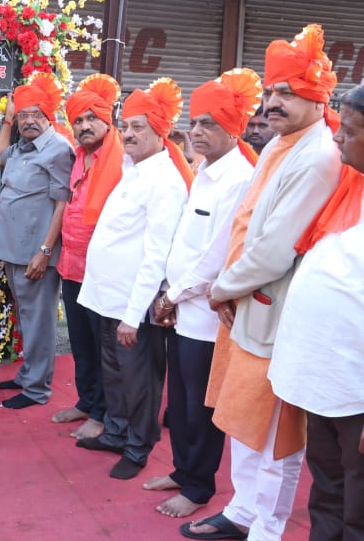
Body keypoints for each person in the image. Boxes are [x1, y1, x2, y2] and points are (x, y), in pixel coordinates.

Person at [183, 24, 343, 541]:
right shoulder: (282, 143)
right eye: (271, 92)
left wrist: (220, 288)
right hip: (248, 303)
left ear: (318, 98)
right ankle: (242, 513)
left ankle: (265, 529)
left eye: (286, 92)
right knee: (243, 422)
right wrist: (229, 289)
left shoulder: (319, 156)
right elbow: (245, 228)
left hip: (274, 311)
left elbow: (275, 247)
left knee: (273, 432)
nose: (272, 102)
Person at [147, 68, 260, 519]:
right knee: (179, 403)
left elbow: (216, 256)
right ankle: (181, 470)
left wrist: (171, 295)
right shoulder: (205, 169)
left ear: (233, 128)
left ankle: (198, 487)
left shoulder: (238, 179)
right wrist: (169, 293)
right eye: (194, 122)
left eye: (208, 123)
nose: (196, 131)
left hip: (207, 315)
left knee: (201, 407)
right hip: (182, 308)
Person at [76, 77, 192, 480]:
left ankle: (138, 446)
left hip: (132, 304)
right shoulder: (133, 170)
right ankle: (117, 431)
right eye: (125, 126)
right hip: (106, 296)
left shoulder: (165, 182)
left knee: (139, 378)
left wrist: (132, 313)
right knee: (114, 373)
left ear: (161, 132)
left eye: (138, 127)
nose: (127, 134)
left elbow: (156, 256)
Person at [267, 84, 364, 541]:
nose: (337, 138)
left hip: (357, 395)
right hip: (327, 381)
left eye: (349, 130)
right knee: (326, 491)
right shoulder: (349, 188)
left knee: (357, 507)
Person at [0, 75, 74, 410]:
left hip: (37, 253)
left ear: (49, 116)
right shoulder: (22, 147)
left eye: (36, 114)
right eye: (24, 115)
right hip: (13, 249)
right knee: (26, 316)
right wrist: (8, 118)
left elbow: (62, 205)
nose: (29, 121)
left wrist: (45, 251)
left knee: (38, 320)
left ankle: (37, 388)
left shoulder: (57, 150)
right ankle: (27, 375)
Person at [51, 73, 124, 438]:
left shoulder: (123, 159)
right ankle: (86, 401)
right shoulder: (78, 157)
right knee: (81, 343)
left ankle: (103, 412)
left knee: (102, 348)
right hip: (72, 265)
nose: (83, 125)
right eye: (77, 120)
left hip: (105, 271)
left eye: (91, 117)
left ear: (107, 119)